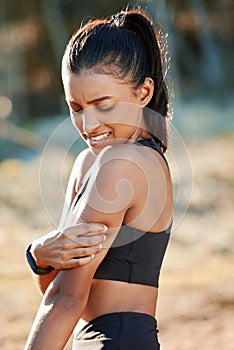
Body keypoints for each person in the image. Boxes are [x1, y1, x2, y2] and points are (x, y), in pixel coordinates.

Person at [25, 8, 173, 350]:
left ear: (143, 92)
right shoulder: (90, 162)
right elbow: (57, 289)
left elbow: (66, 300)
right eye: (76, 108)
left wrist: (37, 255)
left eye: (103, 105)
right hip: (89, 340)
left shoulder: (124, 163)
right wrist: (39, 255)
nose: (89, 125)